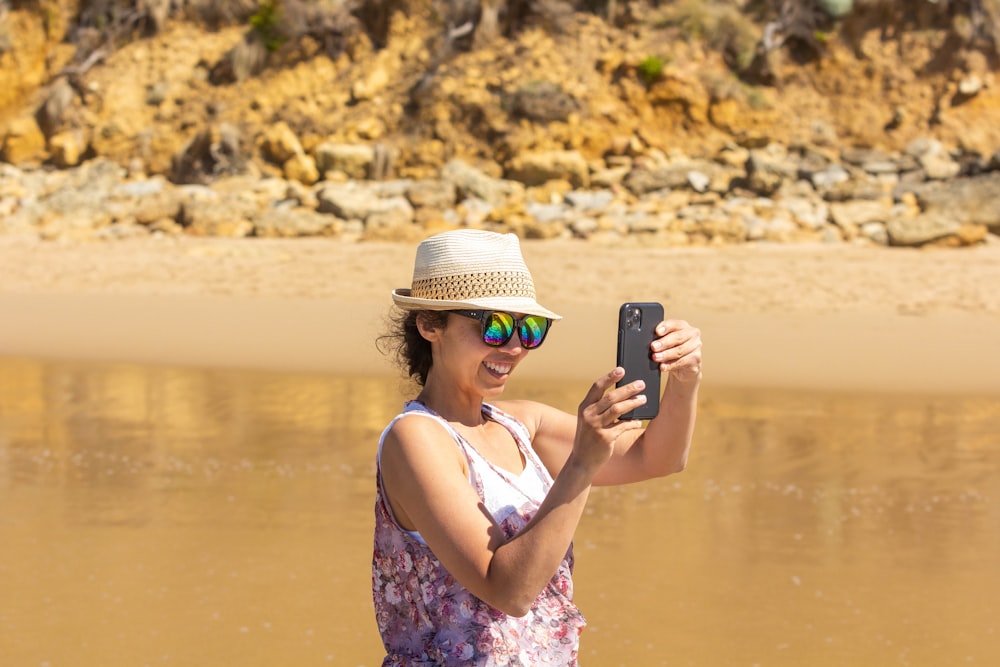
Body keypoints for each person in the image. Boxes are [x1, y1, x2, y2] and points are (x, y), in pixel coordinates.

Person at [372, 229, 702, 666]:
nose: (514, 347)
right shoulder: (415, 437)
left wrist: (685, 380)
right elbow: (508, 590)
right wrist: (583, 462)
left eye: (529, 328)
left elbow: (658, 458)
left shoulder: (522, 424)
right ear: (431, 325)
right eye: (495, 326)